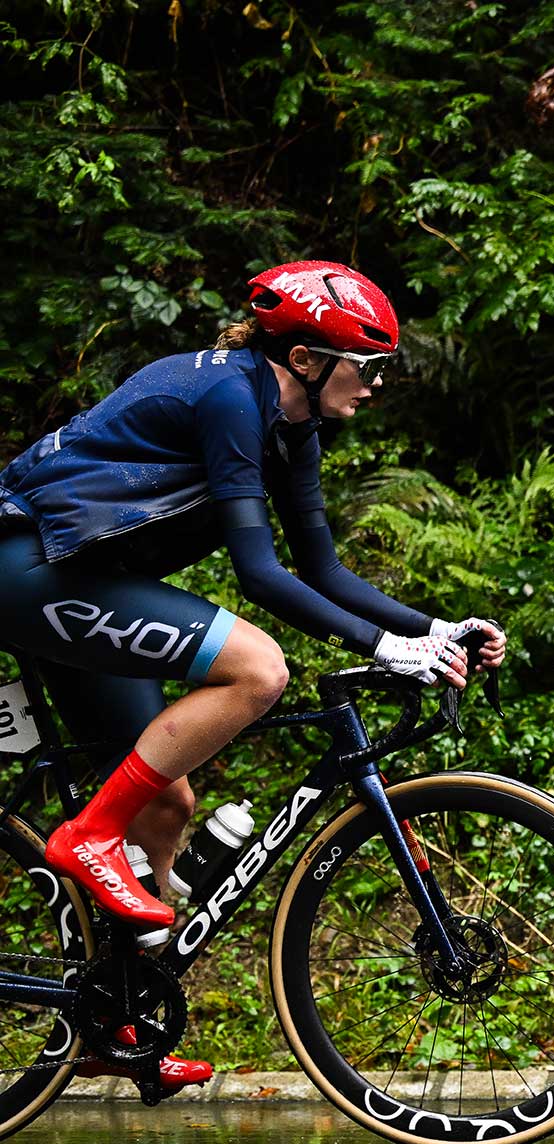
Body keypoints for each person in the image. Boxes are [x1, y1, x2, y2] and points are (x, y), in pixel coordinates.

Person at [0, 260, 507, 1093]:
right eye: (365, 365)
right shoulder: (233, 399)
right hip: (32, 566)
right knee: (257, 668)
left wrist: (432, 629)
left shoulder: (292, 424)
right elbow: (260, 575)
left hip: (82, 572)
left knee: (165, 800)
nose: (375, 385)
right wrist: (386, 651)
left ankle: (113, 1025)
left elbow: (324, 572)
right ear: (307, 357)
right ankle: (85, 838)